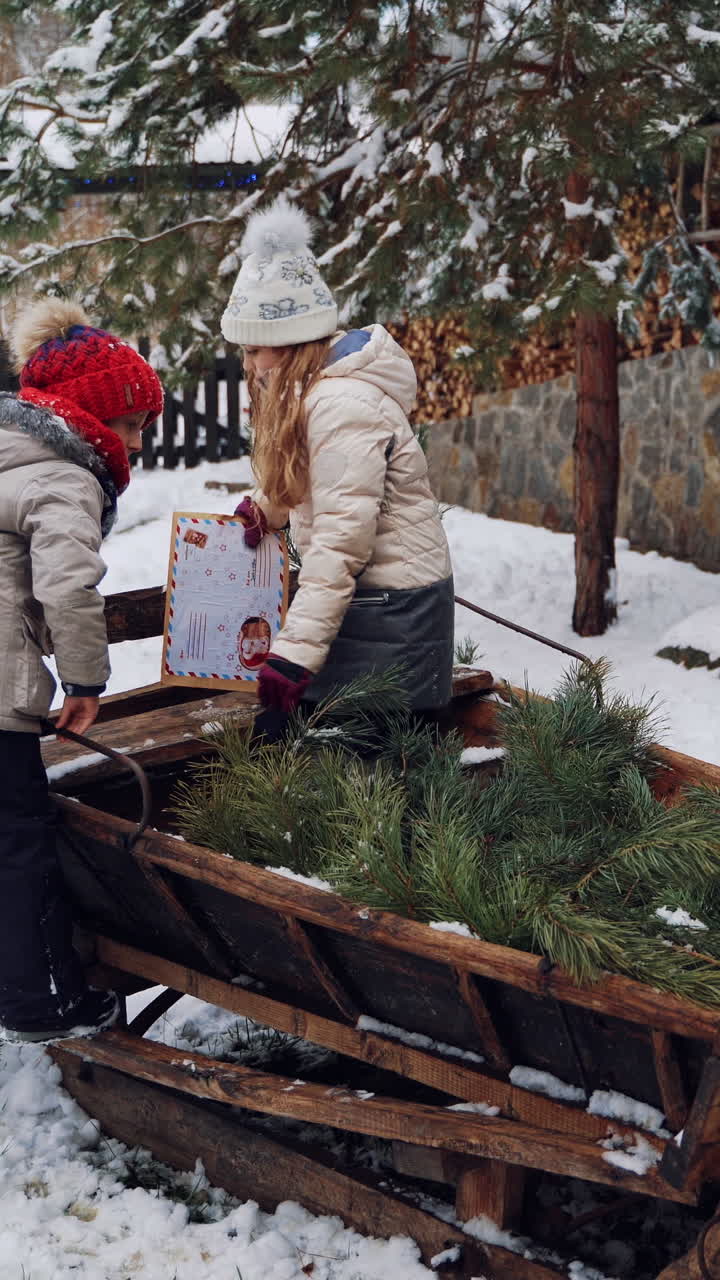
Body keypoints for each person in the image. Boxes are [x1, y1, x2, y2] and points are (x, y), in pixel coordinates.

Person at [221, 196, 454, 735]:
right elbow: (322, 481)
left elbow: (341, 540)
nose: (252, 367)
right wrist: (267, 508)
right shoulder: (322, 395)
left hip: (391, 615)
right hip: (373, 605)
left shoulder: (343, 404)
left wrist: (294, 655)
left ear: (290, 343)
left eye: (257, 352)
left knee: (367, 781)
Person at [0, 298, 163, 1043]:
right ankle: (39, 1005)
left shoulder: (9, 446)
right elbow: (68, 586)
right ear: (86, 413)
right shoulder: (64, 472)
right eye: (129, 425)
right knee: (24, 842)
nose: (133, 442)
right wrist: (87, 684)